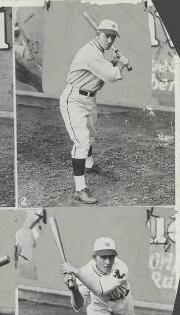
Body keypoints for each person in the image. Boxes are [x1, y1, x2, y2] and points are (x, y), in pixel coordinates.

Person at [60, 19, 129, 204]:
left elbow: (100, 76)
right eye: (106, 35)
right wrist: (121, 63)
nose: (109, 40)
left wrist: (113, 61)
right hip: (73, 100)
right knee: (81, 142)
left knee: (90, 136)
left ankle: (88, 164)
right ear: (97, 34)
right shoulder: (90, 52)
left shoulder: (98, 51)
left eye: (113, 37)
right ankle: (80, 189)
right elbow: (111, 76)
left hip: (89, 98)